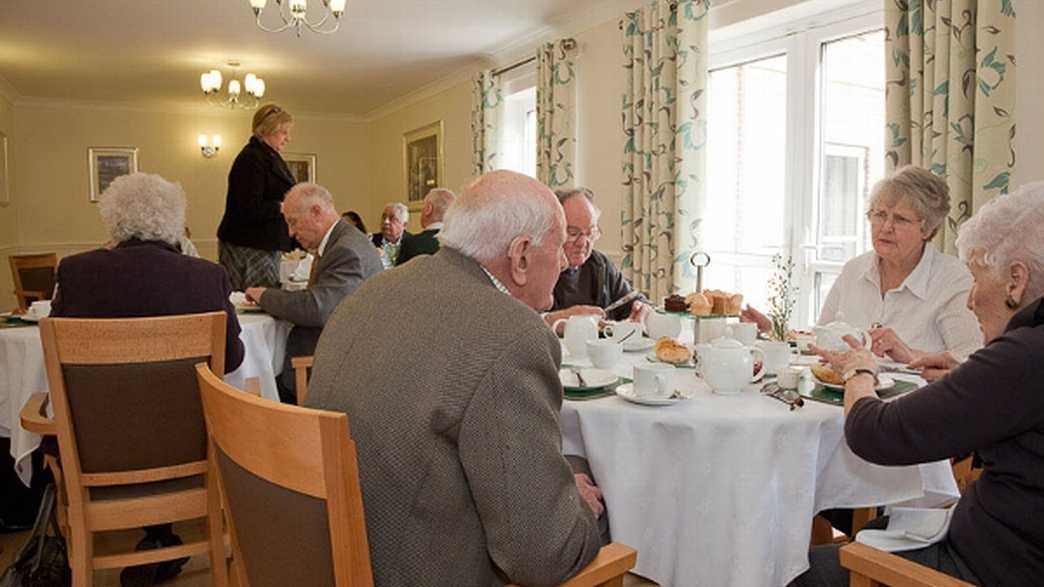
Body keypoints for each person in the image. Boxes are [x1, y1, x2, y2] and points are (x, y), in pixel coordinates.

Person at [306, 170, 604, 586]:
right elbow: (541, 557)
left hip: (326, 549)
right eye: (557, 248)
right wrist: (580, 506)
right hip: (414, 568)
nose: (562, 262)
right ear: (520, 256)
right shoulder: (513, 337)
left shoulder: (372, 291)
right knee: (598, 515)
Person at [792, 182, 1044, 587]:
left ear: (1016, 279)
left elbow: (875, 434)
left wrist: (859, 371)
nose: (970, 298)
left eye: (978, 280)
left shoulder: (1024, 356)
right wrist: (968, 375)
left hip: (979, 565)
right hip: (1005, 547)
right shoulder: (1023, 358)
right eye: (879, 215)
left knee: (785, 573)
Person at [50, 172, 245, 586]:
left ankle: (112, 543)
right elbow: (232, 357)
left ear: (112, 219)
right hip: (190, 449)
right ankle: (163, 537)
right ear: (175, 220)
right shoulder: (206, 276)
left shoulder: (76, 272)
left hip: (95, 451)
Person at [744, 166, 981, 364]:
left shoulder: (954, 279)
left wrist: (908, 354)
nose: (886, 227)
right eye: (879, 214)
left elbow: (970, 364)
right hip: (847, 402)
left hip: (913, 409)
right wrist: (773, 332)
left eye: (900, 219)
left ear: (928, 229)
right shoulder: (854, 270)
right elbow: (821, 341)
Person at [245, 183, 382, 404]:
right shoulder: (341, 241)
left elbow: (317, 308)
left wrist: (265, 296)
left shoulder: (345, 249)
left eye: (293, 222)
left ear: (316, 212)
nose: (290, 232)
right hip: (329, 354)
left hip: (330, 365)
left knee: (253, 385)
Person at [543, 187, 648, 332]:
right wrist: (560, 319)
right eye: (573, 233)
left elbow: (632, 301)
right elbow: (522, 325)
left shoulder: (600, 264)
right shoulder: (537, 268)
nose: (582, 242)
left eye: (590, 232)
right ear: (552, 230)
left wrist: (641, 310)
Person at [216, 103, 297, 290]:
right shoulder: (252, 158)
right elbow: (248, 207)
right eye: (284, 132)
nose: (288, 138)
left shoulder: (268, 156)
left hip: (262, 244)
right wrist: (284, 207)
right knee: (253, 302)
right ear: (268, 130)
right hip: (249, 245)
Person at [396, 187, 455, 264]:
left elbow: (399, 275)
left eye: (423, 207)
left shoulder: (411, 244)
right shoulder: (460, 246)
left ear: (428, 209)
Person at [371, 202, 410, 268]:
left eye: (392, 218)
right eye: (384, 217)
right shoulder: (371, 241)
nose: (386, 222)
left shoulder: (412, 243)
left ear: (404, 225)